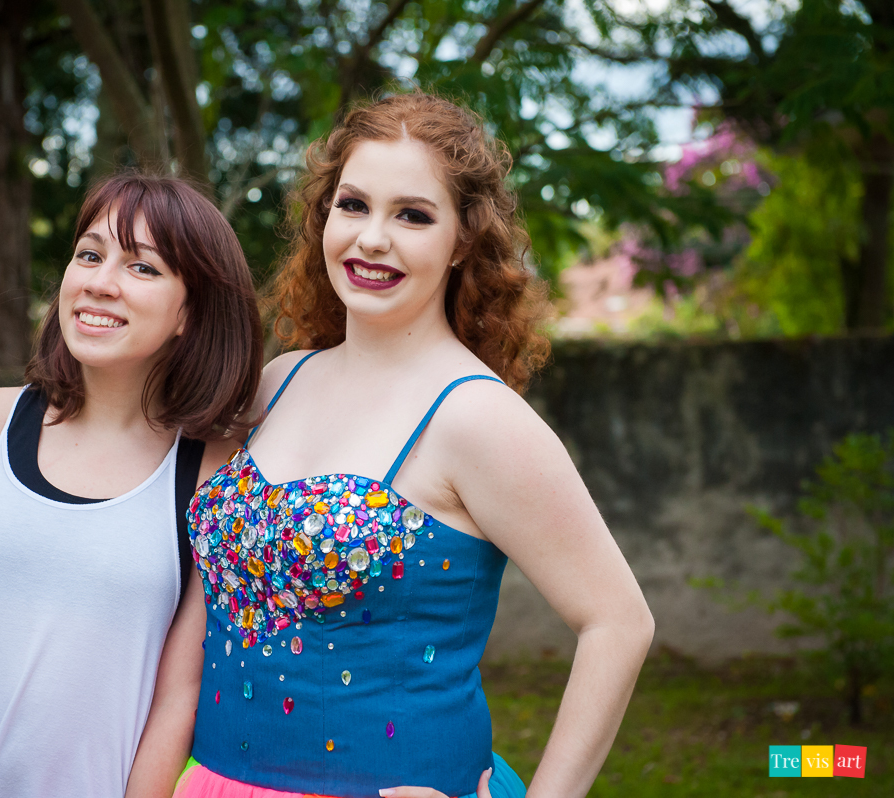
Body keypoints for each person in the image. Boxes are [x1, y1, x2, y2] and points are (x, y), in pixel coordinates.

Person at [161, 92, 655, 798]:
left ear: (462, 241)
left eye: (413, 215)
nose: (371, 239)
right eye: (353, 205)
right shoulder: (276, 382)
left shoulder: (476, 417)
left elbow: (618, 621)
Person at [0, 173, 262, 798]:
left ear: (188, 315)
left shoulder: (214, 471)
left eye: (143, 268)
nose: (99, 281)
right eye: (89, 254)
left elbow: (178, 698)